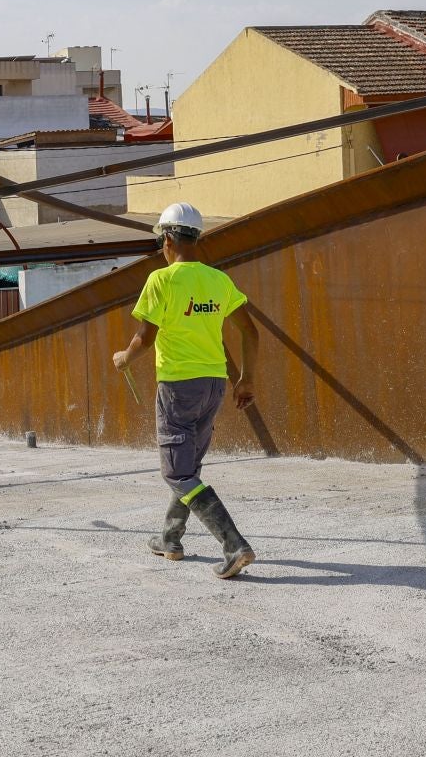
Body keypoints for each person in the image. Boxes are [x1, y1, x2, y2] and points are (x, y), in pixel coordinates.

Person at [111, 202, 258, 579]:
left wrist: (124, 359)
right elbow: (250, 332)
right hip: (213, 386)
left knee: (177, 474)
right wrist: (244, 379)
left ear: (168, 238)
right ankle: (170, 539)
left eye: (162, 238)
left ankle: (233, 545)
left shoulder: (161, 280)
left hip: (178, 386)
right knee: (188, 468)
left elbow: (144, 339)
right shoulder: (217, 280)